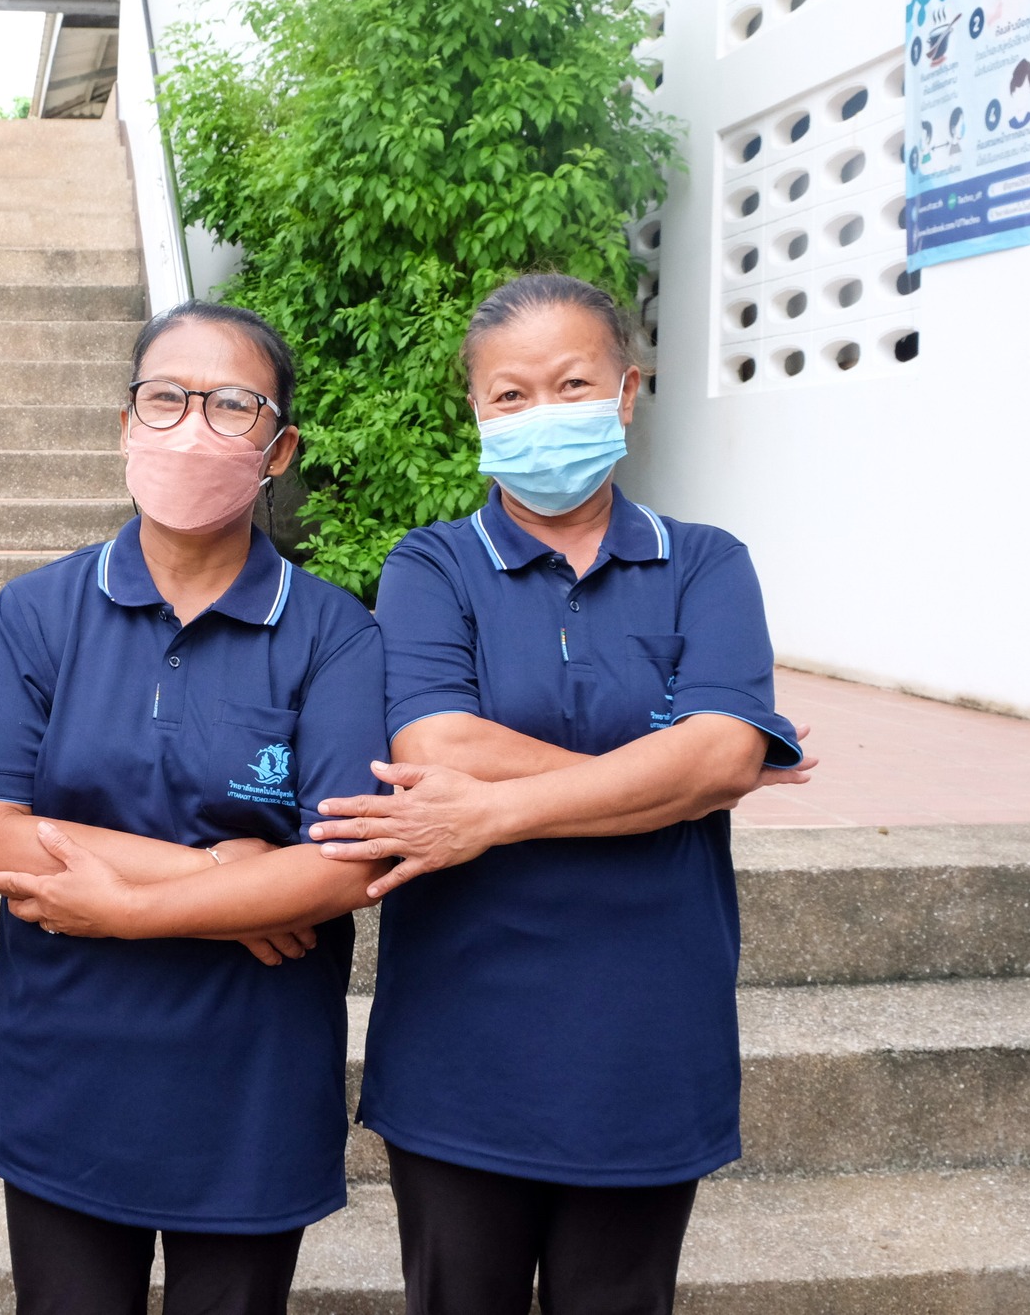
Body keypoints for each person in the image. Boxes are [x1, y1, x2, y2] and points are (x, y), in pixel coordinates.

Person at [309, 273, 816, 1315]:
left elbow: (720, 755)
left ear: (624, 393)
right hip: (464, 1031)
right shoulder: (429, 566)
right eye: (509, 395)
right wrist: (669, 774)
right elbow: (433, 737)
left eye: (570, 383)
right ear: (476, 415)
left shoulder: (705, 564)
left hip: (643, 1032)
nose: (541, 413)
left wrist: (491, 810)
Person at [0, 302, 390, 1315]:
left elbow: (347, 863)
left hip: (250, 1082)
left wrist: (128, 904)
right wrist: (224, 877)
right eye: (163, 399)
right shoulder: (35, 614)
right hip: (68, 1068)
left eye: (229, 405)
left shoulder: (331, 633)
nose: (190, 426)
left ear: (277, 449)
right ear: (123, 425)